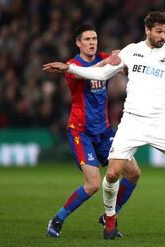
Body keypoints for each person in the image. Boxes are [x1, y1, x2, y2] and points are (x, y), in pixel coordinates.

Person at [43, 11, 165, 240]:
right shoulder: (132, 51)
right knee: (113, 174)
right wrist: (70, 68)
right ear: (147, 30)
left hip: (160, 123)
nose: (162, 36)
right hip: (132, 122)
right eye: (158, 31)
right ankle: (110, 218)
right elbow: (103, 72)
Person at [45, 24, 141, 238]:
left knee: (133, 173)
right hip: (82, 132)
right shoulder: (71, 66)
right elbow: (87, 74)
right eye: (87, 39)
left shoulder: (104, 58)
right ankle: (58, 219)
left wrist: (122, 57)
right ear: (78, 43)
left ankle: (110, 215)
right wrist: (108, 62)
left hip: (104, 132)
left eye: (95, 38)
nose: (92, 42)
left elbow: (121, 63)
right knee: (93, 185)